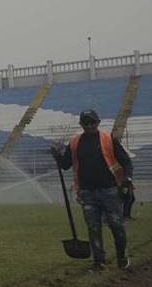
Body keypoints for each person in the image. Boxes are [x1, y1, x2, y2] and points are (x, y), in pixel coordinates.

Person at [49, 109, 134, 271]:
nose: (89, 126)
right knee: (93, 228)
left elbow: (126, 162)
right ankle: (99, 262)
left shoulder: (108, 139)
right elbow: (66, 165)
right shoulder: (74, 142)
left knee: (116, 225)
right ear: (81, 124)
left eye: (92, 122)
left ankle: (122, 257)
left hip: (110, 190)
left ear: (98, 123)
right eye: (85, 123)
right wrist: (57, 156)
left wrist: (127, 178)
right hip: (87, 192)